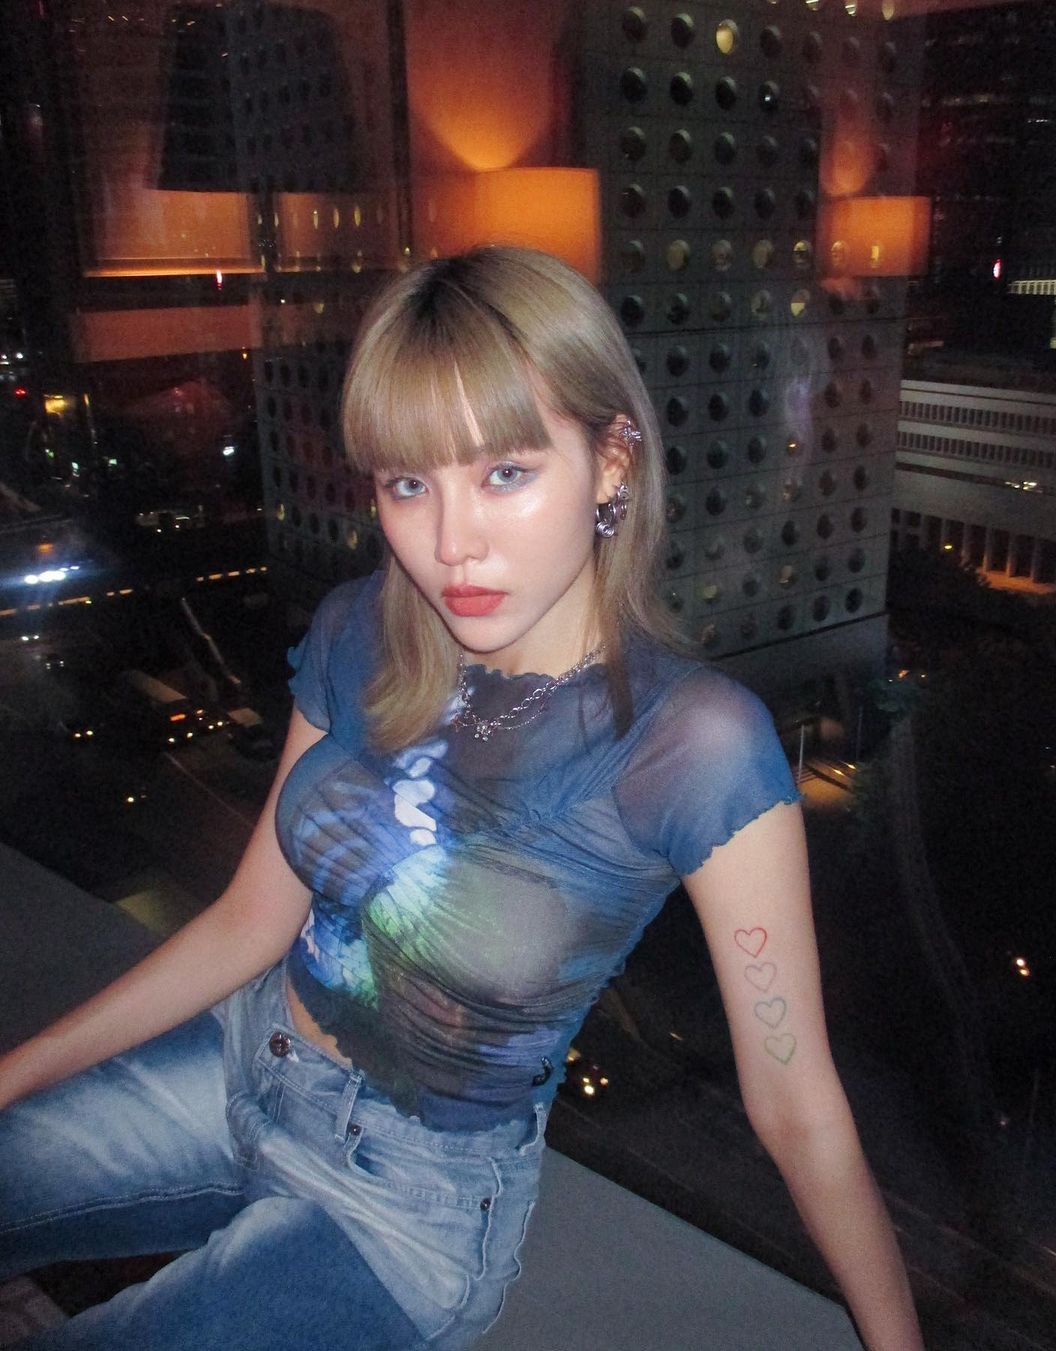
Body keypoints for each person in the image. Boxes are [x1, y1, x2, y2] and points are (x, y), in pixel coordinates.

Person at [0, 246, 923, 1350]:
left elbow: (797, 1106)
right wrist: (11, 1077)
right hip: (242, 1058)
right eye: (408, 483)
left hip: (400, 1207)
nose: (450, 545)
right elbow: (252, 918)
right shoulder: (362, 626)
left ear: (611, 461)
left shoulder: (692, 744)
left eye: (504, 473)